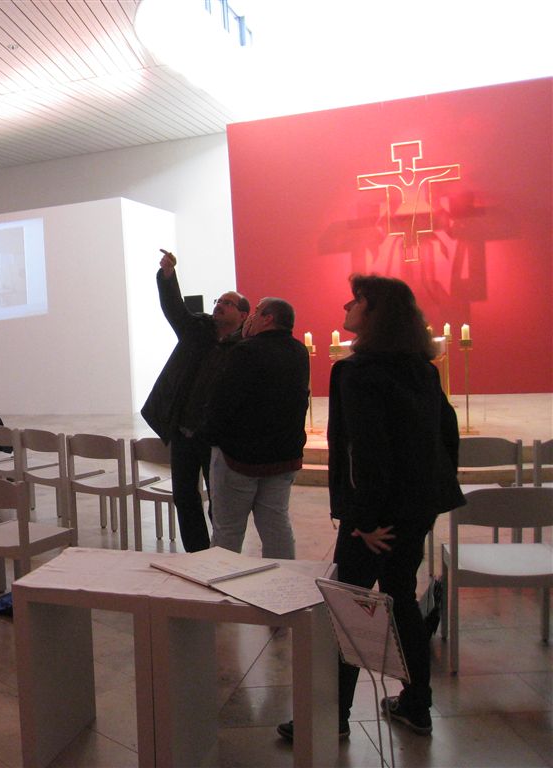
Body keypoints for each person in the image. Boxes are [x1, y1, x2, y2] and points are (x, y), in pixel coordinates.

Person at [277, 275, 464, 743]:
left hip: (375, 516)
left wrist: (364, 521)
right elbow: (447, 435)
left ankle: (331, 717)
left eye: (357, 299)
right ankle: (417, 705)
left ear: (375, 312)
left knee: (348, 607)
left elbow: (366, 451)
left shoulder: (357, 371)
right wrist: (422, 502)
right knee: (400, 598)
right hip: (415, 507)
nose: (347, 303)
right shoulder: (422, 368)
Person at [141, 249, 249, 552]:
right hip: (184, 431)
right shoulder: (197, 328)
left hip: (215, 437)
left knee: (219, 499)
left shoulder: (244, 347)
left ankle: (222, 551)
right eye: (218, 301)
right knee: (184, 497)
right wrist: (167, 276)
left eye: (227, 303)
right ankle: (197, 553)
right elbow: (174, 309)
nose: (219, 305)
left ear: (242, 315)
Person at [207, 298, 309, 559]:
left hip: (240, 458)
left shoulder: (246, 351)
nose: (251, 318)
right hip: (283, 457)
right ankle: (283, 586)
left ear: (268, 318)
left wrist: (213, 437)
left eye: (256, 312)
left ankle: (220, 589)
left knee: (228, 530)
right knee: (276, 526)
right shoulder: (299, 351)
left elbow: (222, 401)